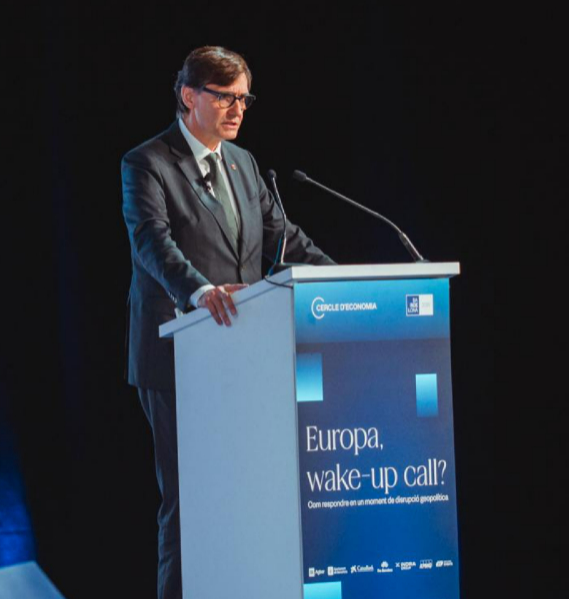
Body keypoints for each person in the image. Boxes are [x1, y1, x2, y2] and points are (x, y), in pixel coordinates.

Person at [121, 46, 335, 599]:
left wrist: (344, 279)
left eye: (244, 98)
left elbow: (285, 241)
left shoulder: (243, 164)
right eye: (225, 98)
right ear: (189, 96)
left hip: (248, 356)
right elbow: (152, 243)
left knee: (248, 497)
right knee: (190, 503)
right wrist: (200, 291)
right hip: (178, 356)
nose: (238, 109)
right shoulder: (147, 163)